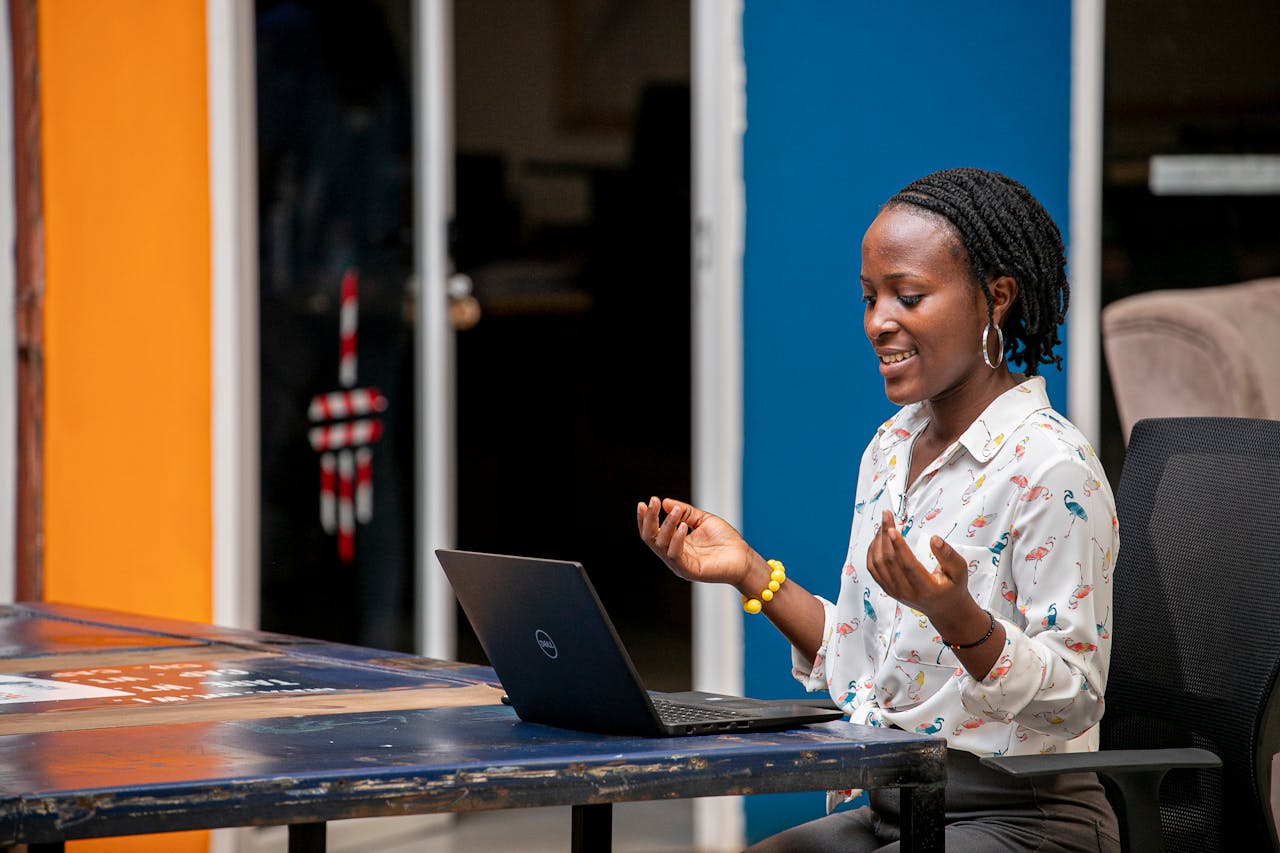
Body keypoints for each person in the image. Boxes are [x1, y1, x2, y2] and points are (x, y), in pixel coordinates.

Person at [637, 167, 1121, 852]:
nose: (878, 322)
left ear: (997, 298)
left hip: (1024, 815)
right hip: (894, 803)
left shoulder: (1052, 467)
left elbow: (1077, 693)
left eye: (909, 295)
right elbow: (868, 665)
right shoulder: (891, 448)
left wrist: (961, 619)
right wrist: (749, 572)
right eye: (870, 297)